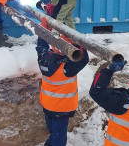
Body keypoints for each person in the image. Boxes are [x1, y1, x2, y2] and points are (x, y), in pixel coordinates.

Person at [36, 18, 89, 146]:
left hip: (47, 104)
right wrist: (77, 43)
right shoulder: (67, 68)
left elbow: (41, 46)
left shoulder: (45, 59)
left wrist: (43, 31)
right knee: (59, 137)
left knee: (53, 131)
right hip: (62, 108)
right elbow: (84, 59)